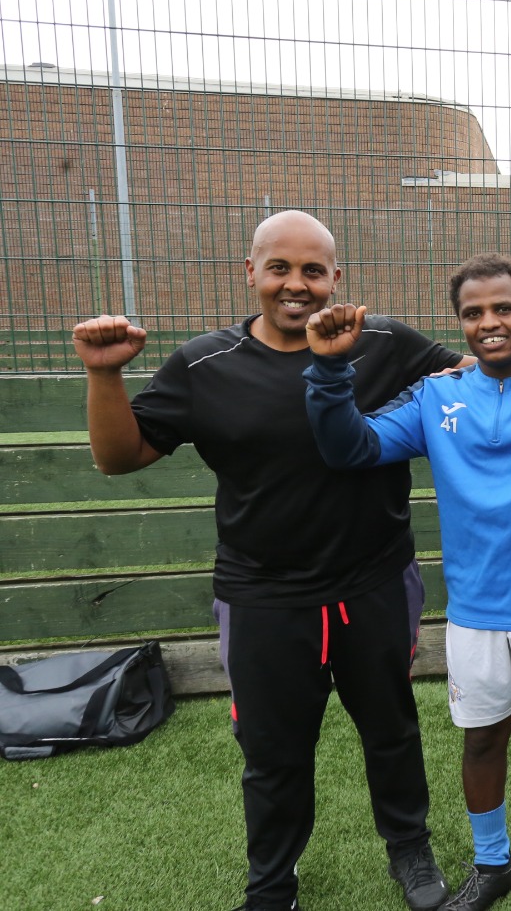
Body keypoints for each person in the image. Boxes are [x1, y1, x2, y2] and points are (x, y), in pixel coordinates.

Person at [70, 210, 456, 911]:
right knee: (273, 756)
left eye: (313, 269)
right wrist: (104, 377)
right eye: (279, 267)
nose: (296, 284)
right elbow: (118, 458)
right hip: (264, 598)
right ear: (250, 273)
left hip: (374, 582)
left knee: (392, 730)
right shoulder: (203, 366)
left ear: (337, 277)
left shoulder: (385, 343)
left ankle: (409, 848)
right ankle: (273, 883)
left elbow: (475, 381)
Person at [301, 254, 511, 911]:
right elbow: (350, 449)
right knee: (482, 737)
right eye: (473, 313)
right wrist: (326, 369)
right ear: (460, 322)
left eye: (503, 309)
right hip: (474, 615)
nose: (488, 323)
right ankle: (494, 865)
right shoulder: (435, 396)